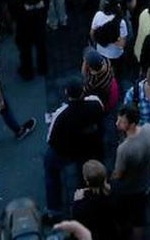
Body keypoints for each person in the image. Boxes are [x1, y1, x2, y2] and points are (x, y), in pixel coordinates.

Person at [44, 77, 105, 212]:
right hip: (91, 147)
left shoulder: (61, 115)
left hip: (69, 152)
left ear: (66, 93)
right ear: (83, 91)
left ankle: (53, 208)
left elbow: (51, 140)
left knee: (49, 164)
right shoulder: (95, 103)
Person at [110, 104, 150, 240]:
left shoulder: (124, 149)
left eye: (122, 122)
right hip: (145, 183)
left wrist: (110, 180)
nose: (117, 123)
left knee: (121, 214)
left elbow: (118, 174)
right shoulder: (148, 129)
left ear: (132, 123)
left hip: (128, 189)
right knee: (139, 219)